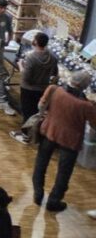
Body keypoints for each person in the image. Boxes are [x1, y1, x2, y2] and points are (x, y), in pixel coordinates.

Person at [31, 71, 96, 211]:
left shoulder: (54, 90)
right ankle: (53, 201)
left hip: (49, 131)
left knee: (41, 164)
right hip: (71, 140)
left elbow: (40, 107)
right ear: (85, 86)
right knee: (64, 173)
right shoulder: (86, 106)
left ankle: (38, 193)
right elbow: (94, 124)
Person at [11, 32, 58, 143]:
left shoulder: (31, 57)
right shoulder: (52, 57)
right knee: (36, 112)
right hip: (42, 88)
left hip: (28, 89)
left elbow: (26, 77)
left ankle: (25, 136)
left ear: (35, 41)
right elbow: (55, 73)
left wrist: (21, 65)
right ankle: (35, 133)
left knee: (27, 111)